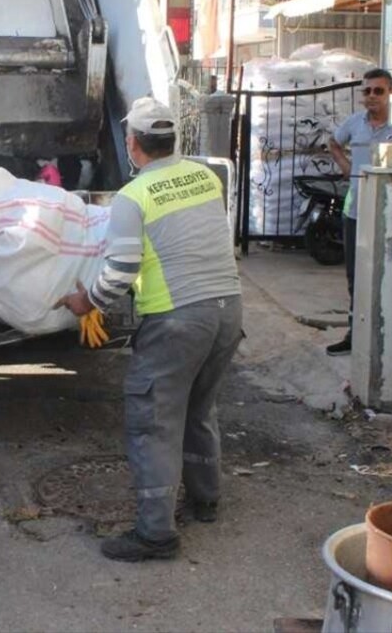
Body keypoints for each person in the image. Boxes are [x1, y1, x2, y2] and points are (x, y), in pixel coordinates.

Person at [57, 97, 243, 562]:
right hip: (228, 311)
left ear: (132, 142)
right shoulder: (204, 177)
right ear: (173, 139)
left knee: (155, 423)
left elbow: (120, 271)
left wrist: (86, 302)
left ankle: (156, 534)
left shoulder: (133, 197)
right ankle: (205, 500)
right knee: (199, 409)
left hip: (178, 319)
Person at [325, 68, 392, 357]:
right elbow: (332, 142)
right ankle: (355, 334)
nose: (371, 97)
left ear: (389, 92)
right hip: (355, 209)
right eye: (366, 91)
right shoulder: (354, 124)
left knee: (387, 272)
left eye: (378, 91)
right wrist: (346, 167)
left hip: (389, 211)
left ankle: (385, 334)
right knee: (356, 276)